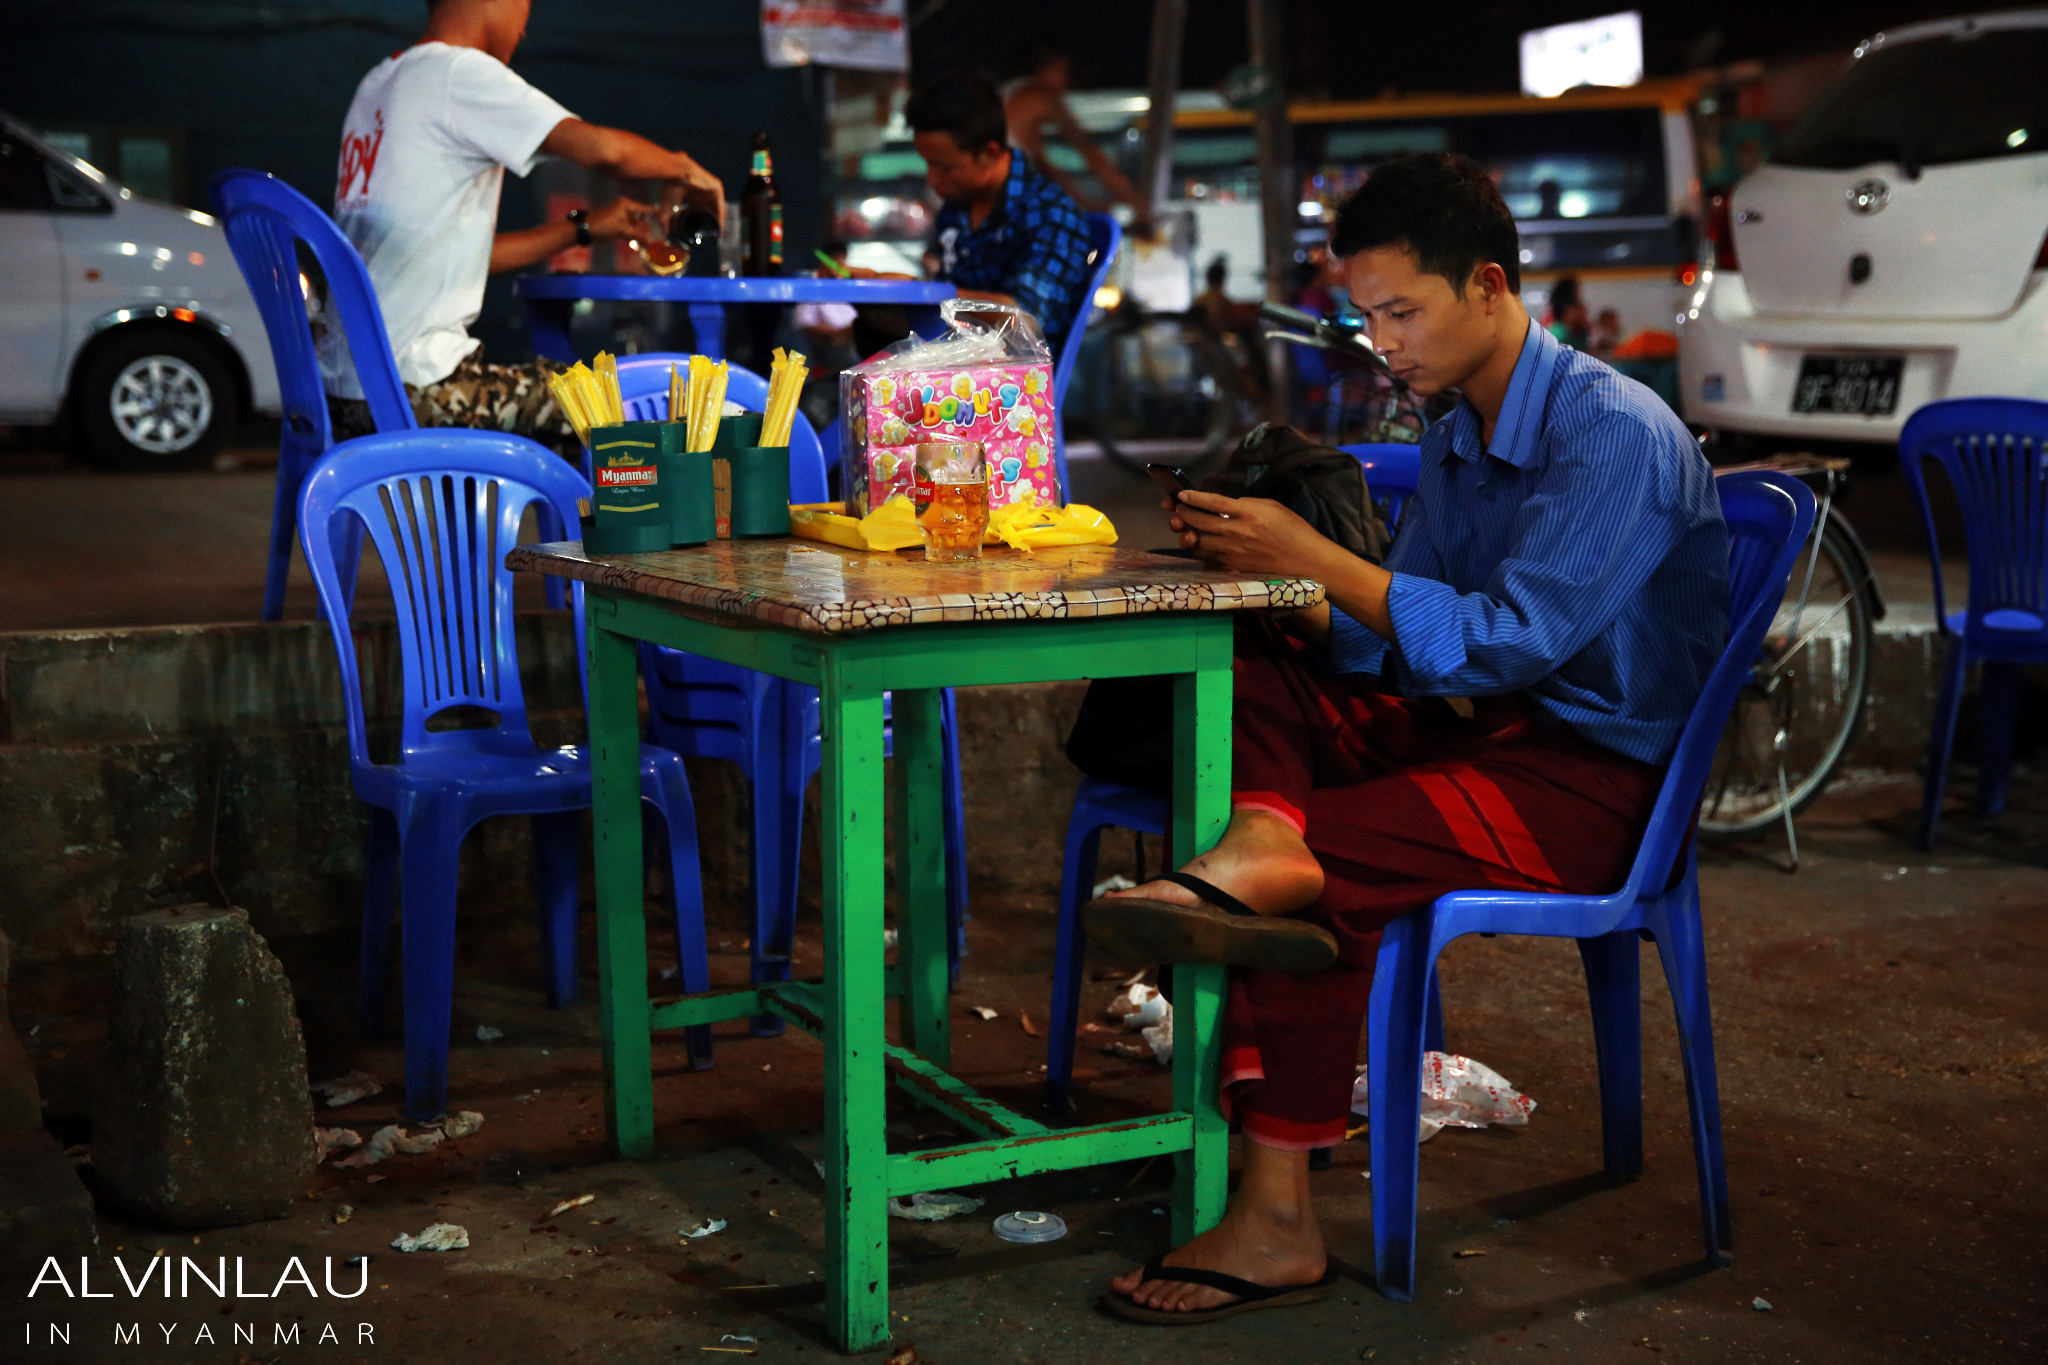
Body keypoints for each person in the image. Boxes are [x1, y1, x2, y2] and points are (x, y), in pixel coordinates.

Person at [1085, 152, 1728, 1323]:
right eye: (1364, 315)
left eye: (1399, 312)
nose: (1379, 342)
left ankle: (1278, 1221)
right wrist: (1282, 587)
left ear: (1487, 285)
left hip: (1593, 781)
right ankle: (1263, 833)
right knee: (1252, 645)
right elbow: (1403, 640)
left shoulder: (1610, 434)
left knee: (1320, 878)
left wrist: (1323, 562)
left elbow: (1501, 643)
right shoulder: (1454, 426)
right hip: (1481, 729)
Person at [322, 0, 725, 454]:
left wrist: (584, 228)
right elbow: (604, 151)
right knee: (617, 403)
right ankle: (606, 523)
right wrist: (683, 169)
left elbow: (449, 256)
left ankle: (552, 519)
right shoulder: (457, 73)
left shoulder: (379, 84)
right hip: (419, 391)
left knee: (571, 391)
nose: (524, 29)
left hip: (344, 393)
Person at [893, 69, 1095, 357]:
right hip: (951, 364)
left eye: (945, 167)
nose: (933, 180)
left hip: (1016, 388)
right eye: (928, 165)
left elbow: (1027, 319)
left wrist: (922, 295)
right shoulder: (956, 207)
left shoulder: (1051, 213)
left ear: (989, 153)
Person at [1001, 41, 1148, 221]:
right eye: (1064, 72)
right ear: (1047, 68)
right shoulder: (1041, 96)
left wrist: (1086, 204)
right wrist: (1136, 203)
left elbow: (1046, 169)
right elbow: (1091, 154)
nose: (1066, 82)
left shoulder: (1011, 92)